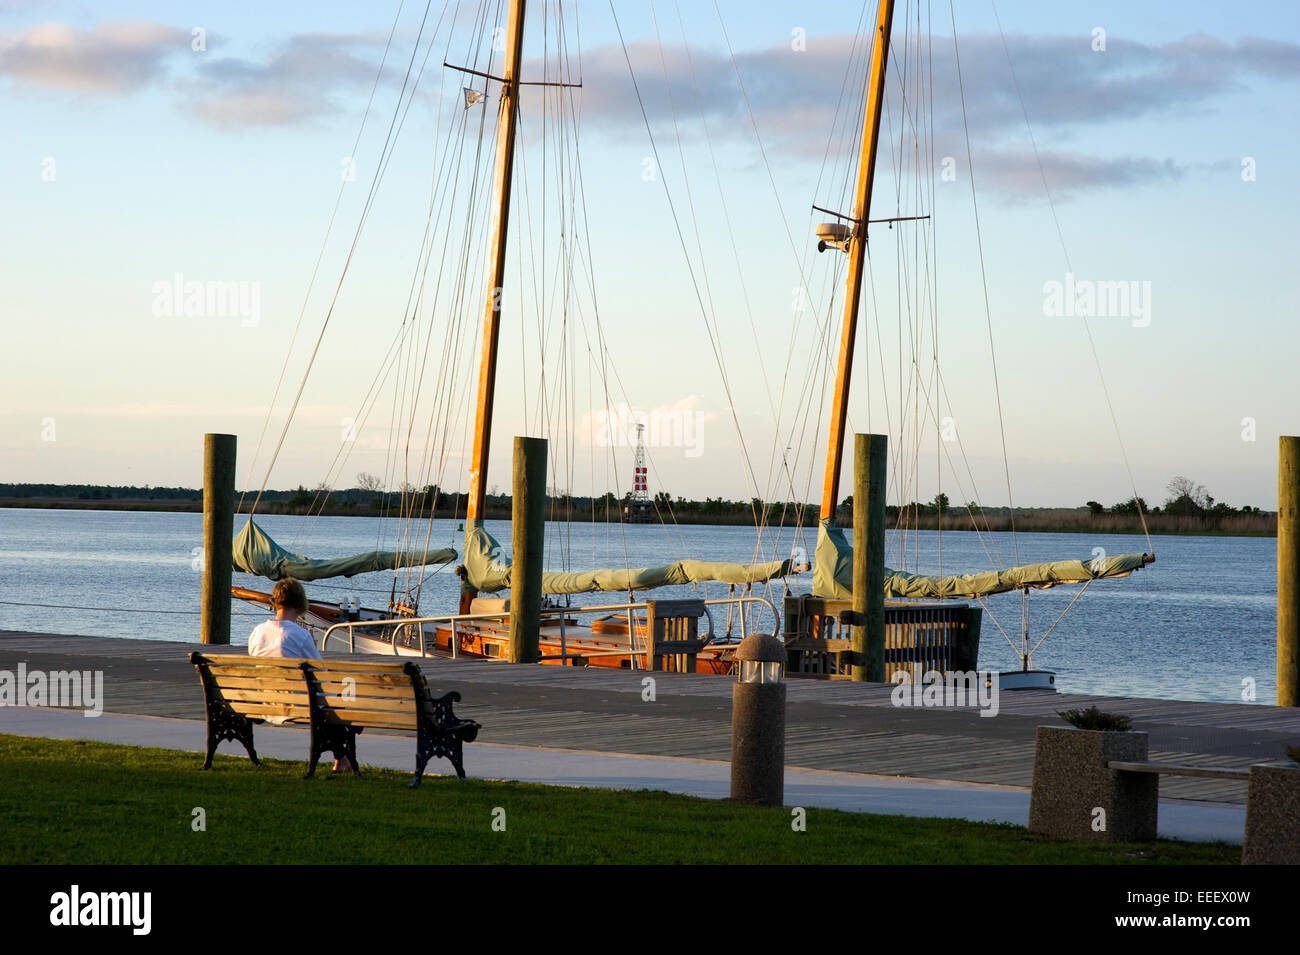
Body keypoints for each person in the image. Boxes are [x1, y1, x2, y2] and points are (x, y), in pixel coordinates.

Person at [247, 578, 352, 773]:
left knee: (323, 703)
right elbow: (321, 677)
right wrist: (310, 643)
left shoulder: (257, 632)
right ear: (299, 602)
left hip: (262, 702)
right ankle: (341, 758)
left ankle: (342, 758)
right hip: (296, 706)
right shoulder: (300, 635)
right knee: (333, 702)